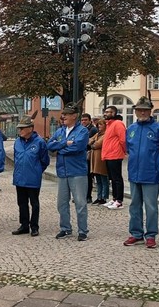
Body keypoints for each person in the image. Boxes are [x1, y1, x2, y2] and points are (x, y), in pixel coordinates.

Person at [123, 96, 159, 249]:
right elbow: (128, 149)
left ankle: (151, 235)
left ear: (150, 111)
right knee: (134, 205)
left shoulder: (158, 128)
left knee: (151, 206)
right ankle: (136, 234)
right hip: (134, 173)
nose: (142, 112)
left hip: (151, 174)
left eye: (145, 110)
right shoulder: (131, 129)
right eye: (139, 110)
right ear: (136, 112)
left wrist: (157, 165)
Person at [47, 102, 90, 241]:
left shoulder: (82, 131)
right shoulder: (60, 131)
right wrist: (65, 144)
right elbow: (50, 145)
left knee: (80, 203)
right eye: (63, 114)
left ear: (74, 116)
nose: (63, 116)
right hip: (62, 171)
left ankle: (83, 230)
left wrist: (60, 149)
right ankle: (65, 228)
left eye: (66, 114)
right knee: (62, 203)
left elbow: (77, 148)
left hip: (77, 172)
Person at [11, 113, 49, 237]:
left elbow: (45, 161)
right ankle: (24, 225)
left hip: (33, 178)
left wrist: (37, 171)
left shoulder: (39, 142)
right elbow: (16, 158)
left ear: (30, 129)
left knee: (34, 203)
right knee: (21, 203)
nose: (20, 130)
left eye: (22, 128)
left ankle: (34, 226)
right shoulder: (17, 142)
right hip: (19, 177)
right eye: (19, 128)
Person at [102, 106, 127, 210]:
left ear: (114, 113)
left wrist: (124, 151)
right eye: (105, 112)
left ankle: (119, 201)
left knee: (117, 179)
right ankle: (114, 198)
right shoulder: (109, 125)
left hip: (115, 155)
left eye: (108, 112)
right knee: (112, 178)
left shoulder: (118, 124)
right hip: (108, 155)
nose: (106, 113)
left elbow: (123, 139)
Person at [88, 119, 108, 205]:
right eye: (98, 125)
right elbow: (89, 141)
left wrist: (93, 144)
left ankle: (104, 197)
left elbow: (97, 144)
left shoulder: (106, 135)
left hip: (101, 159)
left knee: (103, 179)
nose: (99, 126)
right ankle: (99, 197)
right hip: (95, 159)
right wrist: (93, 143)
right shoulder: (97, 134)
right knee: (98, 179)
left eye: (101, 125)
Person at [80, 113, 97, 203]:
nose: (83, 122)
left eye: (85, 120)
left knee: (88, 177)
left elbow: (87, 142)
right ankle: (82, 195)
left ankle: (88, 196)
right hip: (81, 155)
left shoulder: (93, 129)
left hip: (88, 155)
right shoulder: (80, 129)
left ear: (89, 120)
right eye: (82, 120)